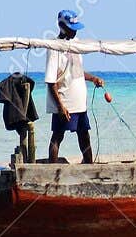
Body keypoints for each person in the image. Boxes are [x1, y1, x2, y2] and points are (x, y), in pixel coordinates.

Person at [44, 9, 104, 163]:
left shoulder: (76, 44)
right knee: (58, 135)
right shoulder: (54, 48)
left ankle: (89, 166)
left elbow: (76, 70)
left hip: (80, 102)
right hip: (64, 101)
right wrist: (60, 106)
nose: (74, 33)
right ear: (62, 26)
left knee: (84, 134)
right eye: (71, 29)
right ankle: (52, 170)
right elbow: (51, 81)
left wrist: (93, 78)